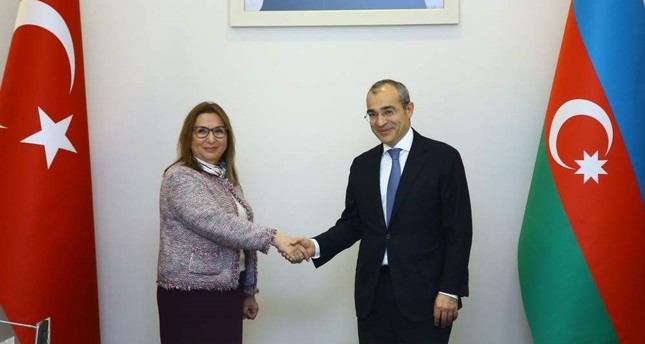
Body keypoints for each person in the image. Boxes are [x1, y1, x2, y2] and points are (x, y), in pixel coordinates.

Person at [292, 80, 472, 344]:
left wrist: (450, 290)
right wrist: (315, 245)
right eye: (372, 114)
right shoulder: (362, 165)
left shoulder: (443, 159)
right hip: (373, 296)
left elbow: (459, 230)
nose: (380, 121)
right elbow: (353, 224)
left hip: (426, 297)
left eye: (388, 111)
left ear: (409, 109)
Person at [156, 101, 301, 344]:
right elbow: (217, 223)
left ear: (227, 137)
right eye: (201, 130)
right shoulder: (180, 177)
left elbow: (240, 241)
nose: (211, 138)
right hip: (189, 296)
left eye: (219, 131)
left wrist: (247, 292)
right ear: (188, 136)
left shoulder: (226, 179)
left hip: (226, 294)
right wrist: (275, 237)